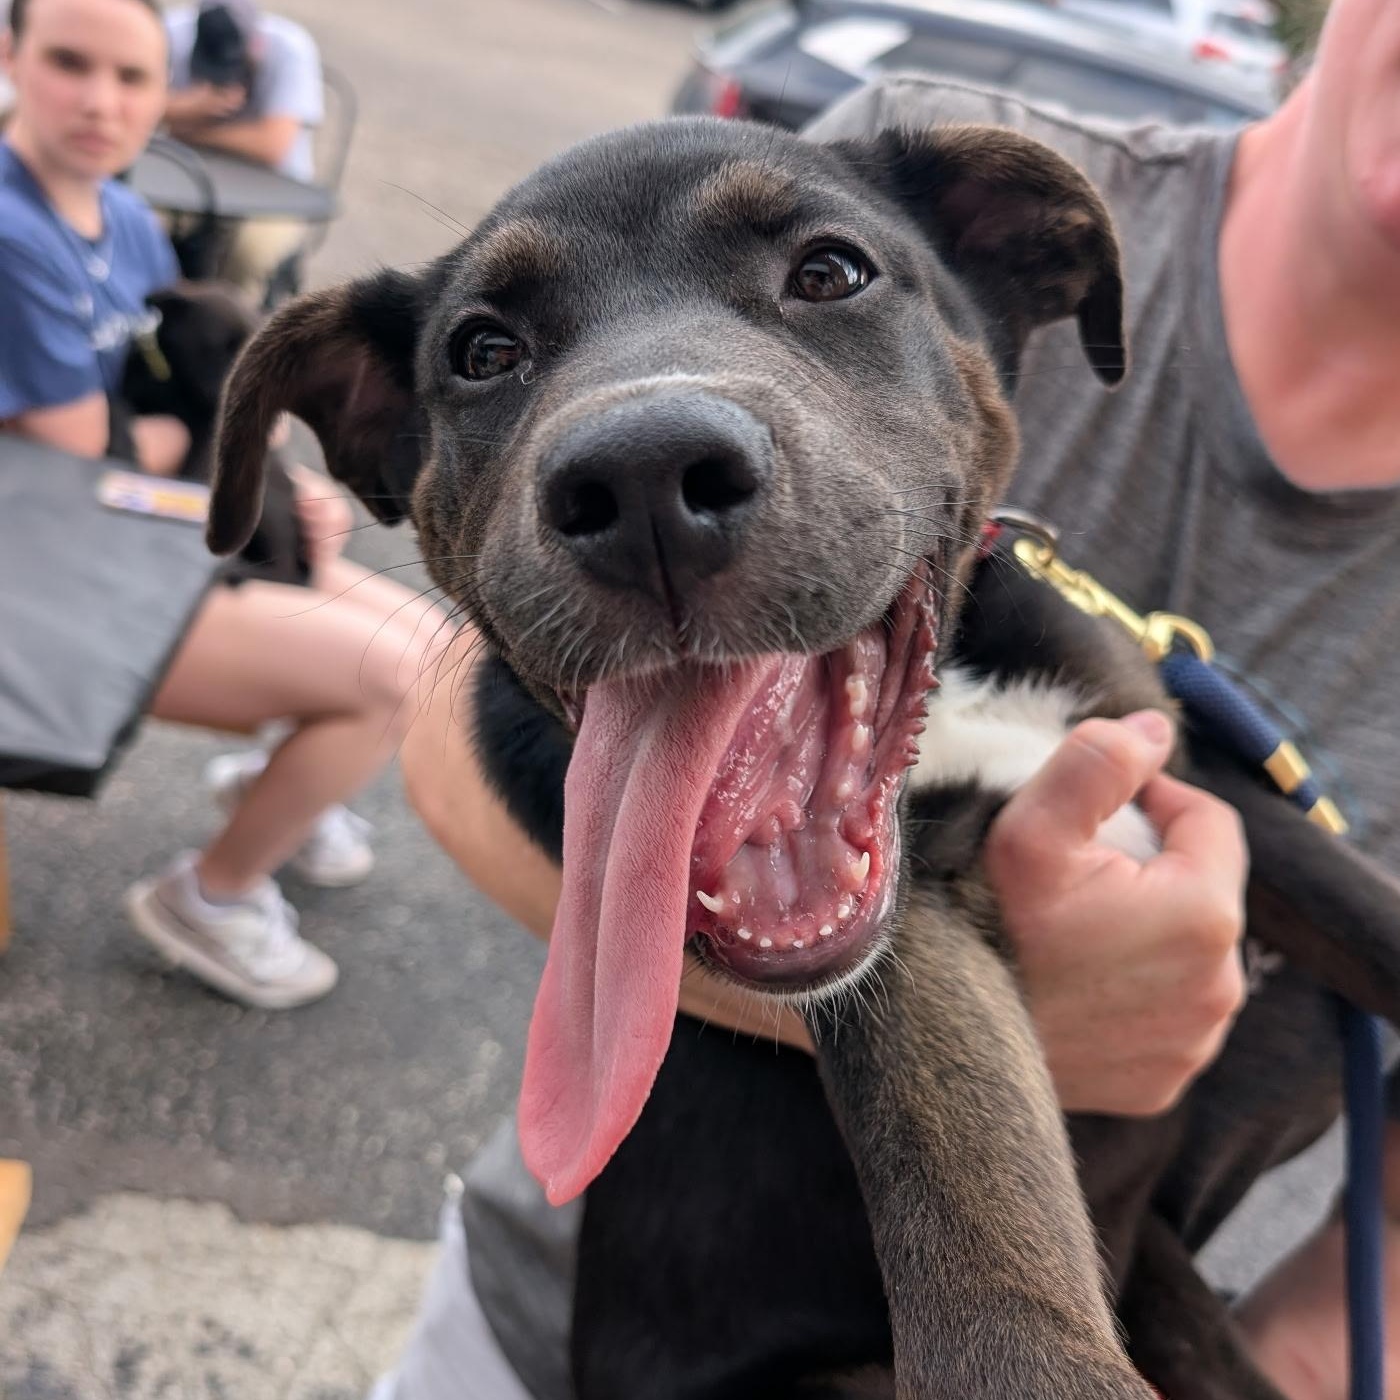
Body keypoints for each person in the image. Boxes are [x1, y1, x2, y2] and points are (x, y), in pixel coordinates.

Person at [376, 0, 1400, 1389]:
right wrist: (879, 1004)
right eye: (490, 354)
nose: (653, 431)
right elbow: (437, 732)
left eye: (824, 277)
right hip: (642, 1339)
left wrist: (1307, 1347)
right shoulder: (882, 167)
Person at [0, 0, 446, 1010]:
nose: (100, 101)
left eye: (131, 78)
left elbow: (163, 411)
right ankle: (210, 894)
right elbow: (84, 456)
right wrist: (213, 464)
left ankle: (281, 784)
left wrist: (272, 488)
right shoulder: (11, 229)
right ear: (9, 56)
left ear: (168, 92)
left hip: (126, 523)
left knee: (420, 638)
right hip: (46, 569)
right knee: (394, 672)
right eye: (69, 62)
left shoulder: (116, 211)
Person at [162, 0, 322, 300]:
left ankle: (236, 333)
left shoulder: (290, 47)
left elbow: (272, 146)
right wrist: (184, 107)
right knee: (140, 228)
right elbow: (129, 109)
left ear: (257, 44)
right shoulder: (171, 32)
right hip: (180, 181)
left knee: (248, 255)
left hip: (274, 192)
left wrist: (189, 127)